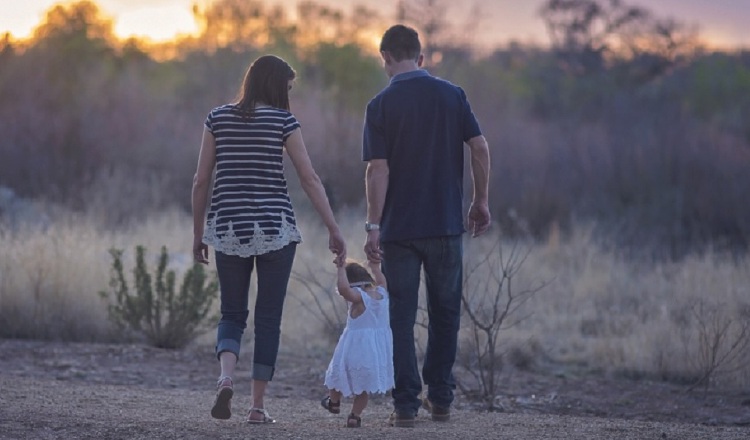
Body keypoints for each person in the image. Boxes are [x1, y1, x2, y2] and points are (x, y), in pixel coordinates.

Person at [191, 54, 346, 424]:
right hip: (276, 229)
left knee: (231, 312)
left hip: (228, 228)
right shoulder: (284, 121)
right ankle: (257, 407)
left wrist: (199, 234)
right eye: (288, 87)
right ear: (276, 86)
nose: (289, 95)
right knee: (268, 319)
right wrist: (333, 227)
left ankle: (226, 377)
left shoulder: (217, 118)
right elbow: (309, 179)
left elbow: (200, 180)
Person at [361, 24, 491, 428]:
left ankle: (404, 406)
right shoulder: (452, 95)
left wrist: (373, 225)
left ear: (385, 58)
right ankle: (441, 399)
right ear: (421, 56)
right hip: (446, 225)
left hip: (399, 230)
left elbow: (377, 170)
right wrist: (480, 200)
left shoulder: (380, 105)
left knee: (400, 316)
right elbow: (480, 146)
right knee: (446, 312)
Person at [320, 258, 394, 428]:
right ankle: (355, 416)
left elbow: (345, 290)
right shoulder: (382, 294)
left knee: (336, 376)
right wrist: (375, 267)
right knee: (363, 388)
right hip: (374, 353)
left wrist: (340, 269)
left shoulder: (358, 298)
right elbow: (382, 280)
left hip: (354, 349)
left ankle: (334, 402)